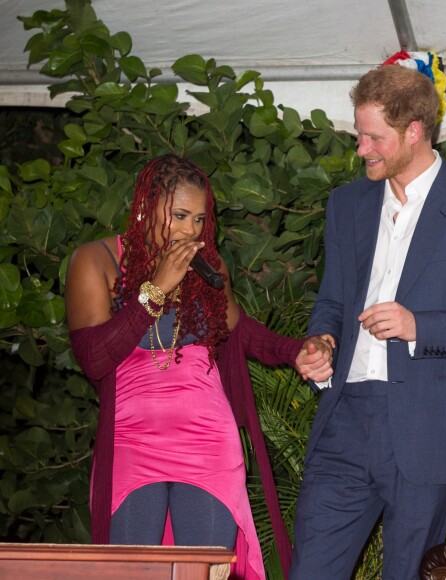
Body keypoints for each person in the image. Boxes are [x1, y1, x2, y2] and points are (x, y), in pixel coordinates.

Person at [291, 64, 446, 579]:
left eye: (374, 137)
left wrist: (420, 326)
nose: (361, 149)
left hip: (428, 429)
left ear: (415, 132)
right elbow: (332, 299)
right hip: (345, 423)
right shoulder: (347, 204)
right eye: (359, 135)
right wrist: (322, 341)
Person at [65, 154, 332, 580]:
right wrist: (156, 289)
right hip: (133, 439)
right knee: (132, 572)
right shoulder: (94, 261)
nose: (192, 230)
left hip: (207, 436)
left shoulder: (209, 269)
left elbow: (240, 330)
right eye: (180, 216)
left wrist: (296, 350)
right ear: (144, 207)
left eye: (199, 219)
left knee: (204, 571)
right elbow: (95, 359)